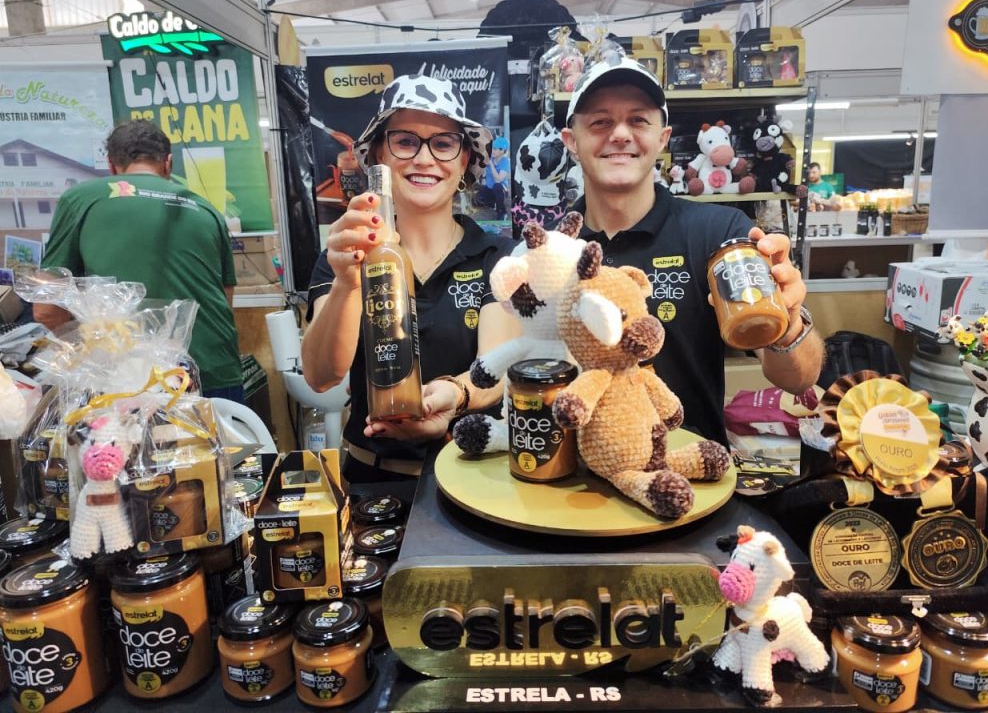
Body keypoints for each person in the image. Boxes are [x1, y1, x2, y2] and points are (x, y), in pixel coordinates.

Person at [559, 57, 824, 446]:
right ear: (572, 142)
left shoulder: (720, 235)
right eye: (600, 122)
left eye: (638, 120)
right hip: (573, 476)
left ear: (662, 138)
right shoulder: (551, 252)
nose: (620, 134)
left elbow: (799, 378)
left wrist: (789, 324)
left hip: (692, 473)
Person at [302, 75, 518, 479]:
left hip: (477, 479)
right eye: (405, 141)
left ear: (464, 160)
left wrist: (454, 394)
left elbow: (496, 368)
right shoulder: (347, 255)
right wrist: (348, 283)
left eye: (443, 143)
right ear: (378, 157)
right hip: (371, 480)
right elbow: (321, 376)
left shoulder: (498, 257)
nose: (424, 159)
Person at [34, 119, 244, 401]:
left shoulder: (82, 199)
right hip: (215, 371)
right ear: (168, 164)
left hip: (128, 382)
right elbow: (224, 300)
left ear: (111, 166)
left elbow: (46, 309)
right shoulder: (206, 209)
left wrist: (92, 355)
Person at [476, 135, 510, 219]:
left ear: (502, 151)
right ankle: (493, 203)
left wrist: (491, 164)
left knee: (497, 186)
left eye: (495, 149)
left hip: (500, 189)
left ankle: (502, 212)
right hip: (489, 188)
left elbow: (498, 179)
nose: (492, 151)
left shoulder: (505, 161)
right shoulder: (489, 158)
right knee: (478, 199)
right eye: (492, 148)